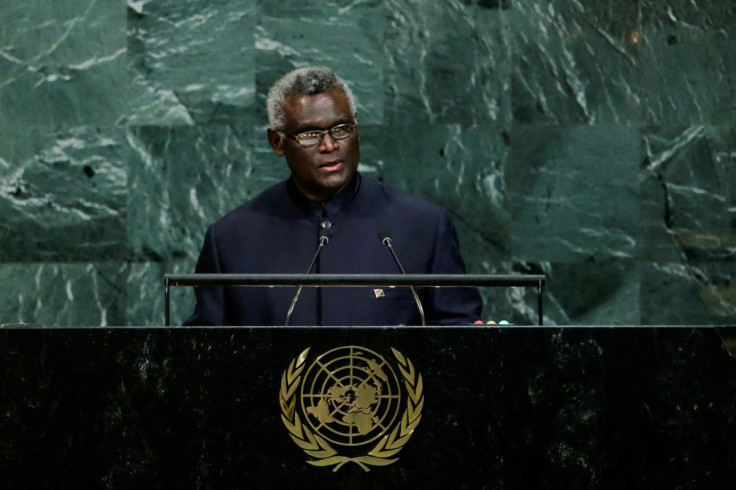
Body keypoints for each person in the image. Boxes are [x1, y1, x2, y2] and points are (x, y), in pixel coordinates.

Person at [183, 67, 481, 326]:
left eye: (341, 129)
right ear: (277, 142)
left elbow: (459, 338)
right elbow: (204, 354)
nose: (329, 145)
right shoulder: (232, 239)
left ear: (357, 130)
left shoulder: (424, 226)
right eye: (309, 134)